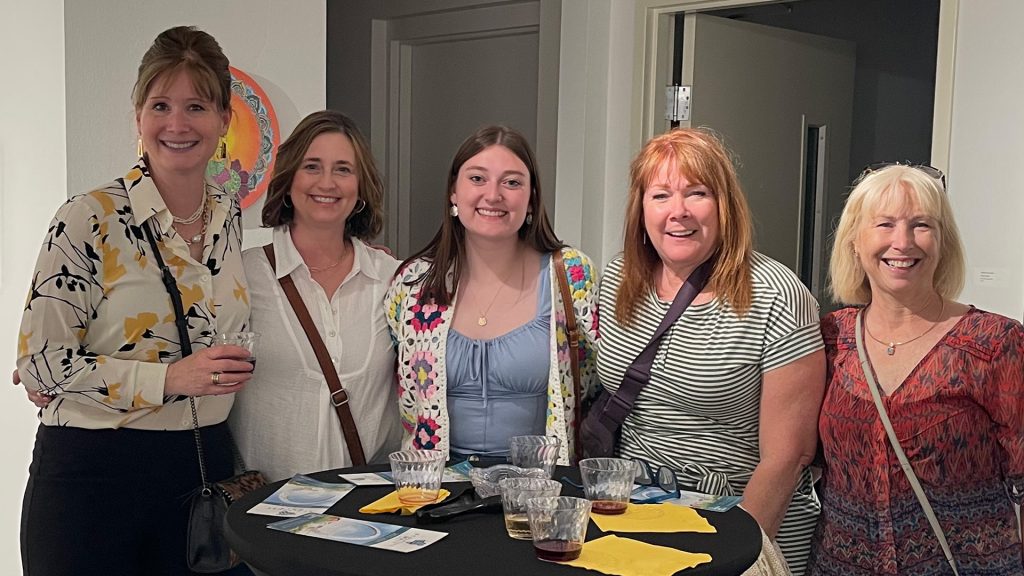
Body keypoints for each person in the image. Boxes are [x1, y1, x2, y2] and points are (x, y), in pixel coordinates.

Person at [16, 26, 253, 575]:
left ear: (223, 120)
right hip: (93, 475)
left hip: (202, 465)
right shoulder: (89, 216)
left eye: (196, 105)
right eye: (160, 105)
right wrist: (171, 379)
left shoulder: (230, 218)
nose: (177, 123)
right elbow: (40, 363)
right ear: (138, 117)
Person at [596, 128, 826, 574]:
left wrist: (738, 551)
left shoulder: (777, 295)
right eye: (660, 195)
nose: (677, 212)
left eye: (696, 193)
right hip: (636, 513)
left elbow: (789, 454)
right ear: (641, 209)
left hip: (739, 518)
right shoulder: (620, 278)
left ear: (725, 205)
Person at [808, 164, 1024, 575]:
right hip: (840, 566)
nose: (902, 242)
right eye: (885, 224)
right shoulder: (830, 338)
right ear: (855, 241)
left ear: (943, 243)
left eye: (921, 225)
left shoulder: (995, 343)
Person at [385, 125, 599, 464]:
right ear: (453, 192)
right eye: (477, 179)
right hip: (435, 493)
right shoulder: (413, 284)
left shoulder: (570, 276)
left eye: (512, 182)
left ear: (531, 198)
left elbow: (594, 381)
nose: (493, 194)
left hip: (539, 491)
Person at [229, 110, 402, 482]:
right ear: (289, 180)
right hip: (268, 515)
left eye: (343, 169)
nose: (327, 182)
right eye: (312, 166)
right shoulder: (243, 275)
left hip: (369, 516)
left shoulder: (394, 279)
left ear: (361, 188)